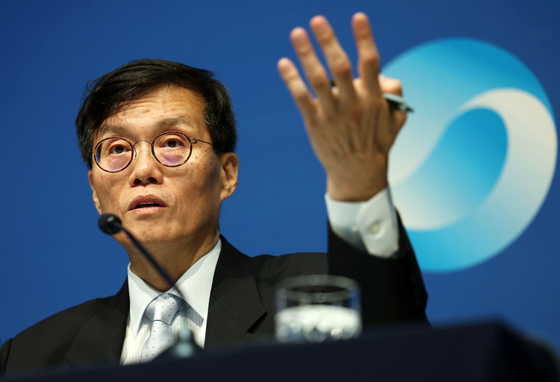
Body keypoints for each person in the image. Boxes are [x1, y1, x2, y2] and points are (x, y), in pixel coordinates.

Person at [0, 12, 427, 375]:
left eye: (171, 142)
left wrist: (359, 185)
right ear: (95, 191)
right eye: (117, 149)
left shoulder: (314, 298)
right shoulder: (32, 357)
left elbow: (399, 354)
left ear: (226, 175)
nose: (143, 169)